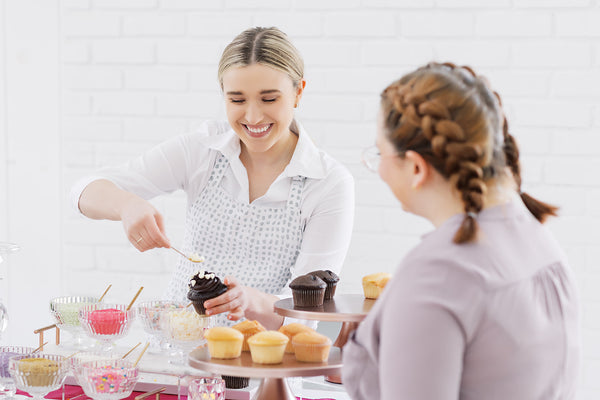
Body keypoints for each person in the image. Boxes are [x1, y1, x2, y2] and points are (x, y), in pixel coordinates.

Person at [70, 27, 354, 330]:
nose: (254, 117)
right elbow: (82, 192)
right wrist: (126, 205)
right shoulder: (203, 149)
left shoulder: (328, 182)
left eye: (269, 99)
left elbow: (307, 312)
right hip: (178, 352)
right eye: (237, 100)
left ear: (298, 92)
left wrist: (249, 302)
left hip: (264, 368)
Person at [342, 62, 579, 399]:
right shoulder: (539, 240)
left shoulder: (439, 273)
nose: (378, 167)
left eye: (380, 152)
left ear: (416, 167)